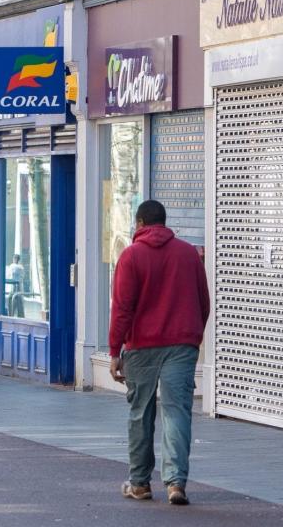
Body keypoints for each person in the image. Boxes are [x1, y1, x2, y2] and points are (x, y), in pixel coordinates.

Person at [108, 200, 210, 506]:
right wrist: (192, 336)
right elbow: (203, 302)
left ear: (139, 224)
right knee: (177, 410)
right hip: (181, 345)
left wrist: (115, 351)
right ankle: (176, 482)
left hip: (142, 347)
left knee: (141, 412)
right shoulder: (188, 254)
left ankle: (140, 483)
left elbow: (122, 309)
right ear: (164, 223)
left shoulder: (131, 256)